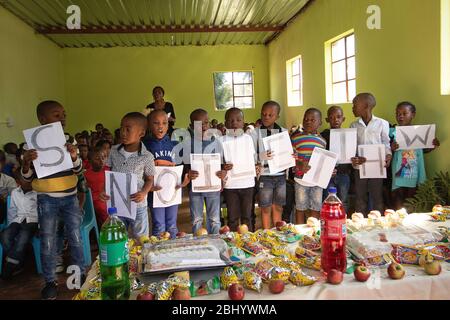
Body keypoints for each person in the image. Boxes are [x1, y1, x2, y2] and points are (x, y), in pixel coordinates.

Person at [21, 100, 85, 300]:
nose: (63, 118)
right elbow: (26, 179)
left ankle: (79, 273)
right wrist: (26, 163)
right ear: (42, 119)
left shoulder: (69, 139)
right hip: (46, 200)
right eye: (57, 115)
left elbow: (79, 170)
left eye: (64, 114)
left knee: (75, 237)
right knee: (47, 240)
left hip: (70, 197)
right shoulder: (29, 145)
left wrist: (74, 156)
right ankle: (50, 281)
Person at [102, 112, 157, 240]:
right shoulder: (114, 151)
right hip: (117, 205)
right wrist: (104, 189)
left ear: (141, 133)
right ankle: (123, 258)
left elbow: (150, 179)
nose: (123, 132)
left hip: (138, 205)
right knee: (119, 236)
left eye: (128, 129)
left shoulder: (147, 156)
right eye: (121, 128)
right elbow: (108, 172)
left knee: (141, 238)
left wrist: (143, 193)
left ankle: (143, 259)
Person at [144, 110, 189, 238]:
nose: (160, 126)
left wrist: (183, 181)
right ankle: (158, 254)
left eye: (164, 123)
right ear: (149, 125)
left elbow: (180, 167)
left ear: (168, 125)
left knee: (172, 225)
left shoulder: (174, 145)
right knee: (159, 226)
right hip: (155, 192)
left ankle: (172, 252)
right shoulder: (144, 145)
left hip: (172, 191)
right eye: (156, 123)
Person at [390, 101, 440, 209]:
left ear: (413, 115)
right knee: (398, 197)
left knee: (412, 198)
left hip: (414, 171)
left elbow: (422, 150)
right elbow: (386, 150)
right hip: (399, 172)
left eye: (404, 113)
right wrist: (392, 148)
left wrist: (432, 145)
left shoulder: (420, 132)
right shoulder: (392, 132)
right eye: (398, 114)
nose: (400, 116)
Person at [184, 109, 225, 235]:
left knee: (215, 219)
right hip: (195, 189)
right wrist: (188, 172)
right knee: (196, 219)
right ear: (191, 126)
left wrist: (222, 176)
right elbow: (185, 166)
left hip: (213, 187)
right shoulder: (188, 144)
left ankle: (216, 241)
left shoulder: (216, 142)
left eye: (206, 122)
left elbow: (221, 163)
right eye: (199, 123)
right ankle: (199, 244)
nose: (203, 126)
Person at [350, 93, 392, 215]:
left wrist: (388, 155)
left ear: (366, 106)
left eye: (355, 105)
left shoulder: (382, 123)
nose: (352, 108)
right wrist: (354, 158)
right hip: (360, 167)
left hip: (377, 167)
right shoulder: (354, 125)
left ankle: (377, 224)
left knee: (377, 197)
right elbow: (352, 147)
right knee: (360, 198)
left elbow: (386, 143)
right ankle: (359, 224)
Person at [250, 101, 288, 229]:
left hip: (281, 175)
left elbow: (287, 152)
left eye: (270, 115)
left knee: (278, 206)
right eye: (264, 114)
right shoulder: (254, 133)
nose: (266, 117)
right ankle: (267, 233)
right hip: (265, 175)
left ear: (277, 116)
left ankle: (277, 232)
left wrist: (291, 156)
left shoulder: (283, 132)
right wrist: (260, 156)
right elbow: (249, 155)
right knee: (265, 207)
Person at [220, 108, 259, 232]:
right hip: (230, 185)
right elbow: (219, 162)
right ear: (225, 123)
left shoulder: (248, 139)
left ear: (243, 123)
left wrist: (258, 164)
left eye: (238, 120)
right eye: (230, 121)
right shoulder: (221, 141)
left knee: (247, 217)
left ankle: (249, 242)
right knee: (232, 218)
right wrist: (223, 167)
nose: (234, 123)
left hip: (247, 183)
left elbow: (253, 158)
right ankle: (233, 244)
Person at [291, 108, 327, 223]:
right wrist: (298, 163)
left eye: (312, 120)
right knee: (300, 207)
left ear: (320, 123)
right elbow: (291, 157)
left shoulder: (322, 141)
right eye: (306, 119)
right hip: (300, 180)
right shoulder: (296, 138)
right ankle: (300, 232)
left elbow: (323, 161)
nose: (308, 122)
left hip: (317, 181)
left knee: (316, 207)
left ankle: (313, 231)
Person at [0, 172, 38, 280]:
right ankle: (19, 262)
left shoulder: (37, 193)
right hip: (18, 220)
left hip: (33, 221)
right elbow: (12, 210)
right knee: (5, 236)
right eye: (25, 180)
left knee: (23, 236)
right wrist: (11, 226)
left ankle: (10, 265)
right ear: (19, 182)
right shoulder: (15, 193)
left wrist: (40, 227)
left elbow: (42, 211)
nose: (28, 182)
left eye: (30, 180)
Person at [321, 106, 352, 212]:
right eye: (332, 117)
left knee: (343, 200)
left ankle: (343, 222)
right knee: (328, 200)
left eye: (338, 117)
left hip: (344, 173)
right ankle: (329, 221)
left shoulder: (348, 135)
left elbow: (352, 153)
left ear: (343, 119)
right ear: (327, 119)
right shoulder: (323, 135)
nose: (335, 120)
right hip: (328, 175)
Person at [84, 147, 110, 227]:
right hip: (94, 202)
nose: (101, 161)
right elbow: (86, 191)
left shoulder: (108, 170)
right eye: (97, 159)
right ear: (90, 161)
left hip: (107, 200)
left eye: (103, 158)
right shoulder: (86, 174)